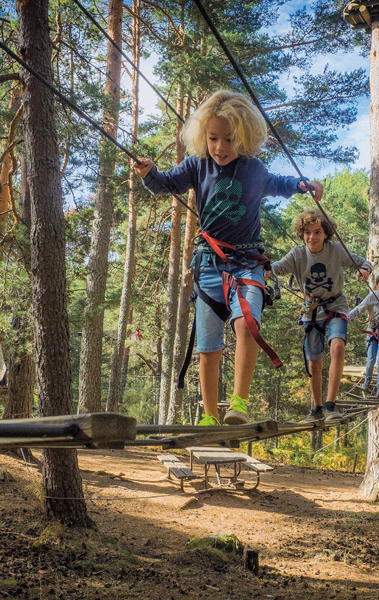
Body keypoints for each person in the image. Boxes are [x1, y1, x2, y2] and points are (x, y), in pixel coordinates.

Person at [132, 90, 324, 427]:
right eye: (213, 138)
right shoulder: (197, 165)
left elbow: (279, 183)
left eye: (229, 140)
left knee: (248, 324)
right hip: (208, 266)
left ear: (245, 137)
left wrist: (302, 184)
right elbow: (165, 184)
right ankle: (208, 417)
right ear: (203, 136)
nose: (220, 147)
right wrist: (149, 173)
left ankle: (238, 403)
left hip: (247, 264)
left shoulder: (253, 169)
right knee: (208, 345)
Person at [265, 209, 370, 423]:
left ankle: (331, 404)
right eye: (307, 232)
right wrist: (260, 268)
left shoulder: (337, 250)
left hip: (336, 305)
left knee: (337, 346)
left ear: (326, 234)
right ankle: (317, 408)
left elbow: (363, 262)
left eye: (317, 232)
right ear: (301, 234)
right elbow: (275, 269)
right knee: (314, 363)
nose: (311, 237)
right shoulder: (297, 254)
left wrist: (364, 271)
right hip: (311, 310)